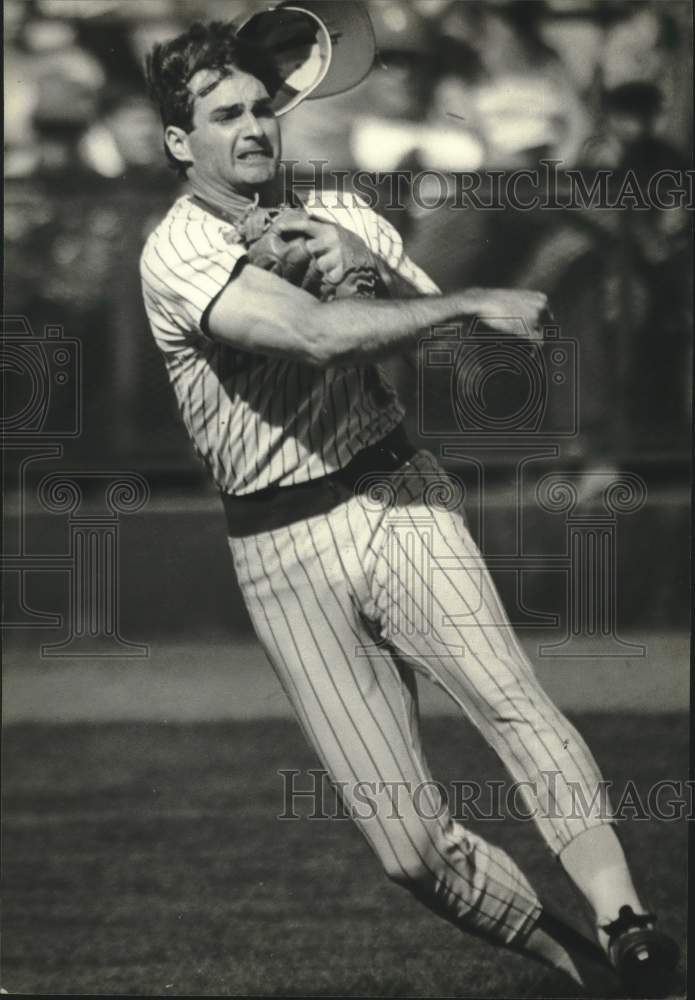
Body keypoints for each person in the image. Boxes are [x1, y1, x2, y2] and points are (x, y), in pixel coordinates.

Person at [139, 19, 679, 998]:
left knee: (509, 701)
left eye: (260, 106)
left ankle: (624, 918)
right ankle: (584, 965)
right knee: (407, 849)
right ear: (181, 142)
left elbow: (453, 361)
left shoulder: (343, 203)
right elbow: (309, 339)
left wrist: (362, 258)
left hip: (396, 492)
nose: (252, 126)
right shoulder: (175, 249)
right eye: (223, 116)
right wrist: (461, 295)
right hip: (279, 550)